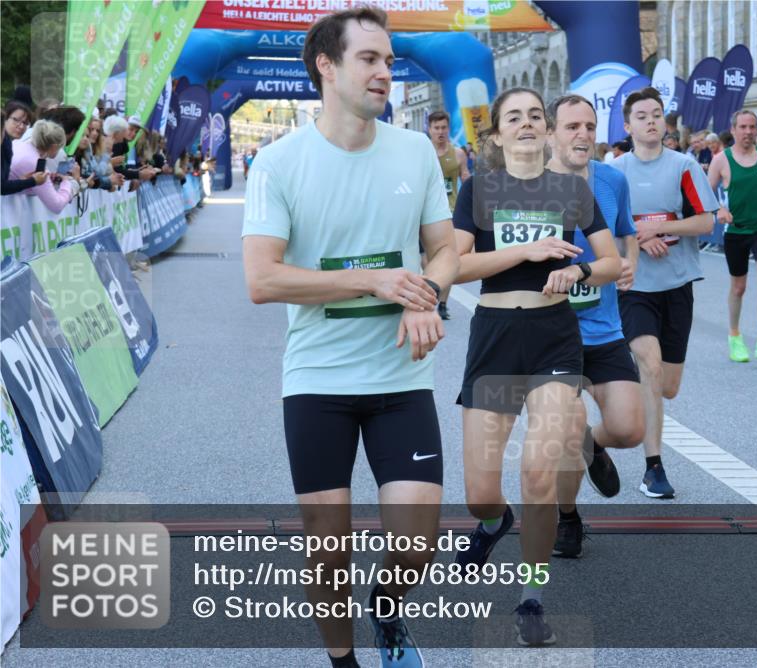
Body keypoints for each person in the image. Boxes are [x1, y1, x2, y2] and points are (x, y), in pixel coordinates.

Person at [241, 9, 459, 667]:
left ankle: (386, 608)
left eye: (389, 60)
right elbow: (262, 279)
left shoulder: (414, 152)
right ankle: (344, 663)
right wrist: (375, 281)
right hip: (318, 380)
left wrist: (427, 293)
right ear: (326, 67)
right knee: (328, 547)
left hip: (400, 377)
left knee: (416, 543)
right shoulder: (278, 163)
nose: (384, 72)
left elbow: (445, 249)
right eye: (369, 59)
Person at [451, 87, 619, 646]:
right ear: (497, 134)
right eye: (513, 117)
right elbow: (454, 265)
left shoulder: (571, 190)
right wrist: (526, 252)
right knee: (480, 491)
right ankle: (493, 521)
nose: (526, 124)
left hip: (553, 340)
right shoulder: (478, 189)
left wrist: (579, 272)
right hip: (495, 339)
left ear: (547, 131)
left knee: (538, 475)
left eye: (534, 116)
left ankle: (532, 598)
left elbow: (612, 260)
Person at [545, 94, 644, 558]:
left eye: (589, 126)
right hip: (550, 333)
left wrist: (629, 263)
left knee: (628, 429)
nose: (583, 134)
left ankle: (591, 444)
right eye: (572, 126)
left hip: (604, 328)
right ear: (551, 133)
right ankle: (567, 518)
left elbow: (627, 234)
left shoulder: (612, 180)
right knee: (567, 429)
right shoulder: (529, 186)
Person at [611, 87, 718, 498]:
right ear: (628, 126)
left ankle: (604, 434)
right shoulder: (614, 172)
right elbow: (603, 228)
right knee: (650, 366)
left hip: (676, 284)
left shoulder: (684, 166)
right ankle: (653, 467)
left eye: (656, 114)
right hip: (633, 286)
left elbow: (705, 222)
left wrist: (658, 227)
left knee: (667, 385)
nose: (651, 121)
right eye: (642, 116)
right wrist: (637, 237)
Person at [708, 110, 757, 363]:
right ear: (733, 130)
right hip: (736, 230)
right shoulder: (721, 160)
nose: (748, 132)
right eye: (743, 127)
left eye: (752, 127)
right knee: (738, 287)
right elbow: (705, 192)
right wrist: (719, 210)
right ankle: (734, 336)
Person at [425, 110, 470, 320]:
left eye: (444, 127)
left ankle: (442, 303)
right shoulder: (422, 152)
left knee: (448, 258)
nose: (440, 132)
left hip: (450, 211)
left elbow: (465, 176)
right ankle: (431, 291)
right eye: (436, 128)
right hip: (426, 212)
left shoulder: (458, 154)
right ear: (429, 129)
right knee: (426, 260)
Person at [9, 119, 81, 212]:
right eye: (60, 147)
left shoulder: (16, 143)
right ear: (54, 147)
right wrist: (70, 183)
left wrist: (48, 181)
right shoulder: (37, 165)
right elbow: (56, 206)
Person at [2, 101, 46, 195]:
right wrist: (33, 181)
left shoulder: (8, 141)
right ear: (5, 118)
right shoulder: (4, 143)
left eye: (25, 123)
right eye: (16, 120)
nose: (21, 126)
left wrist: (23, 180)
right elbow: (2, 187)